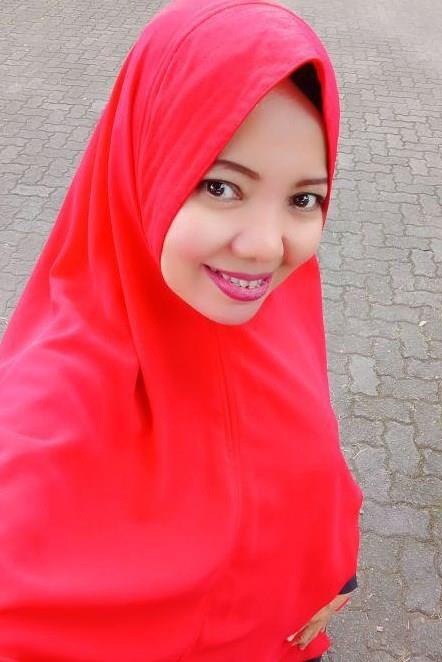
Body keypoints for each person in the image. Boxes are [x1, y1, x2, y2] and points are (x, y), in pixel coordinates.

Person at [0, 0, 363, 660]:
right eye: (220, 187)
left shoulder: (276, 319)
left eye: (303, 199)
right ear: (141, 167)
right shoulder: (40, 426)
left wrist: (331, 573)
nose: (266, 246)